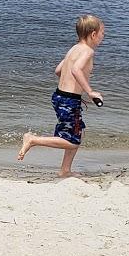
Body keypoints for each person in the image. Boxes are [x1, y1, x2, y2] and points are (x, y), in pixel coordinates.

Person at [17, 14, 105, 178]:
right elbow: (76, 70)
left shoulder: (73, 48)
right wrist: (90, 91)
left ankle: (65, 170)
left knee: (78, 133)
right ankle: (33, 140)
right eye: (102, 33)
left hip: (61, 96)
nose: (103, 37)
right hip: (69, 100)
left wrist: (76, 90)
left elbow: (59, 71)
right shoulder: (88, 51)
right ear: (93, 34)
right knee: (72, 141)